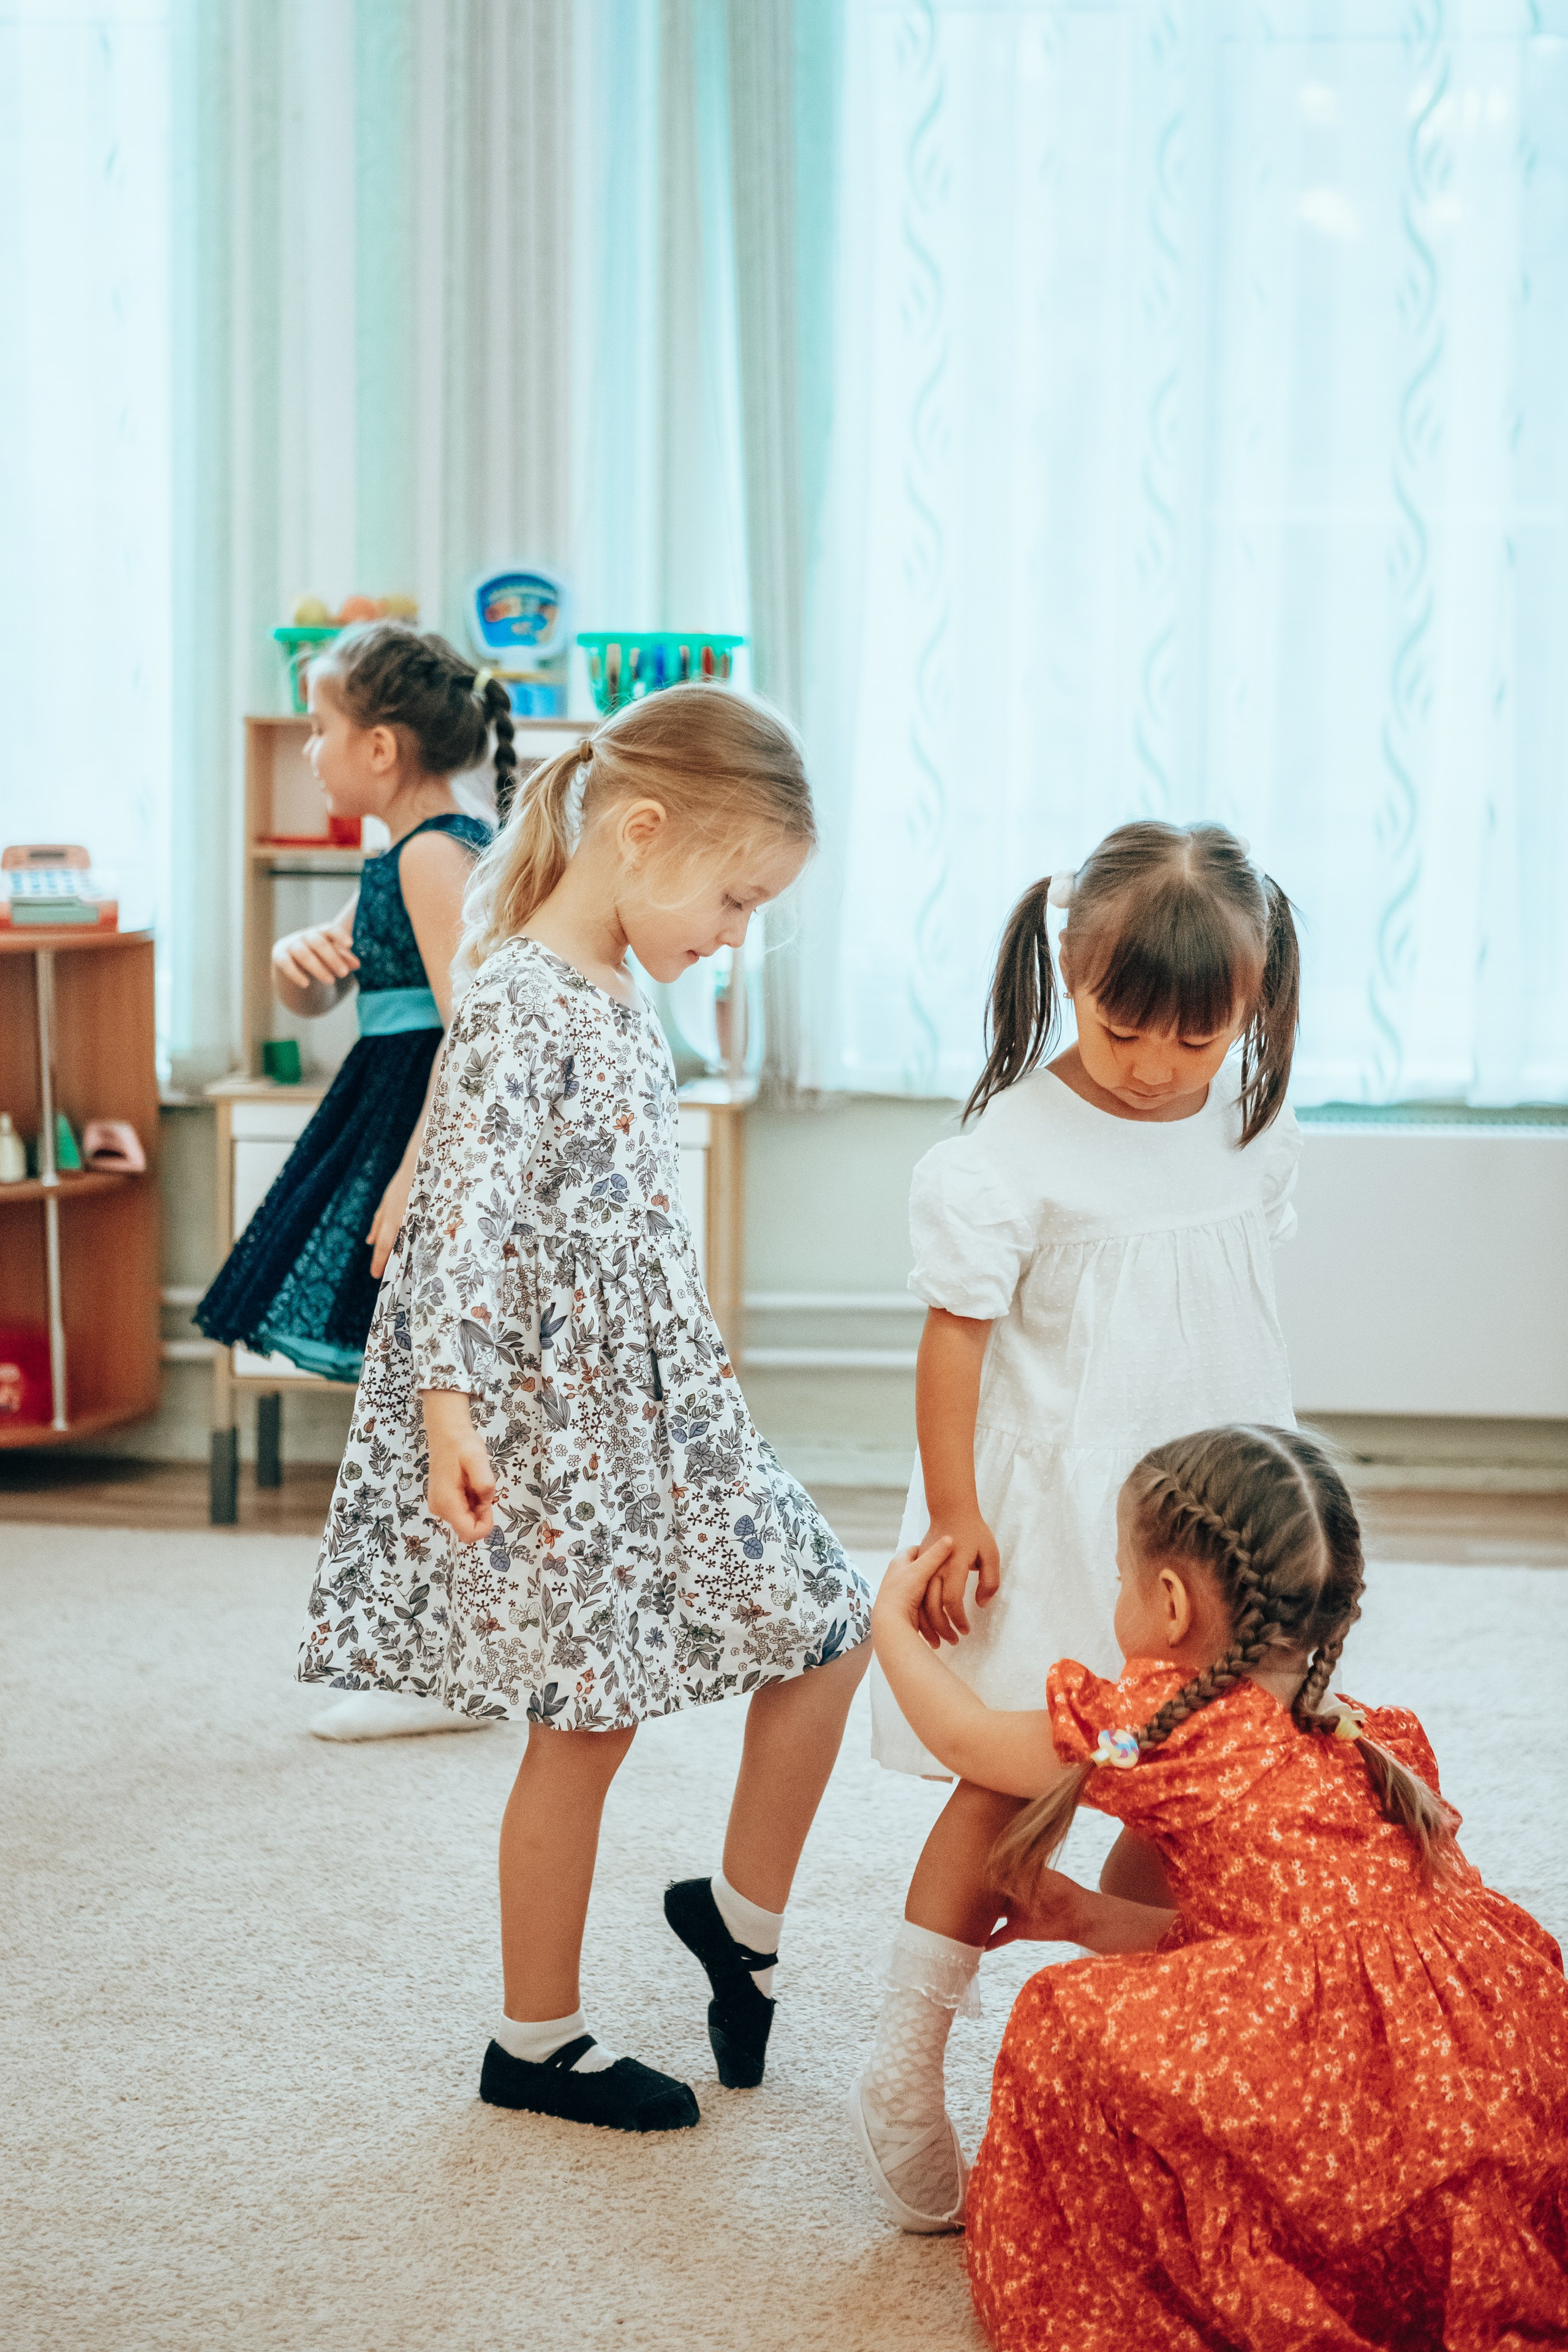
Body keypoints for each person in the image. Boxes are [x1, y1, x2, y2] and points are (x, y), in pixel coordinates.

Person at [298, 680, 872, 2130]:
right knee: (586, 1723)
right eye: (733, 899)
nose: (733, 934)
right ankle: (532, 2039)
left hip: (662, 1410)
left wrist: (689, 1341)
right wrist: (446, 1408)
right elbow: (469, 1216)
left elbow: (613, 1215)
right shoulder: (517, 996)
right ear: (641, 831)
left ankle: (736, 1919)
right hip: (557, 1432)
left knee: (826, 1620)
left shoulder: (616, 992)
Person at [870, 1423, 1568, 2345]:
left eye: (1119, 1580)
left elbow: (963, 1739)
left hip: (1336, 2105)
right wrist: (1084, 1912)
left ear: (1167, 1604)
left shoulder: (1158, 1734)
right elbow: (1273, 1964)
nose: (1115, 1597)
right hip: (1468, 2092)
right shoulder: (1370, 1737)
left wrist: (888, 1621)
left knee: (1061, 2021)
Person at [854, 822, 1304, 2230]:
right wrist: (955, 1514)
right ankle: (903, 2057)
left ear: (1250, 1005)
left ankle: (1127, 2061)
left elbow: (1233, 1318)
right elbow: (954, 1342)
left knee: (1191, 1787)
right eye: (1122, 1030)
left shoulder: (1250, 1114)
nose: (1157, 1067)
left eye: (1197, 1035)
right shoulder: (1009, 1147)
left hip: (1213, 1531)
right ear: (1069, 970)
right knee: (1014, 1778)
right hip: (1059, 1516)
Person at [197, 621, 507, 1740]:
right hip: (382, 1115)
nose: (312, 751)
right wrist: (297, 969)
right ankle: (433, 1656)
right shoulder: (406, 848)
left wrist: (416, 1182)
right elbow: (338, 992)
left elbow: (471, 1030)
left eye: (321, 730)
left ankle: (438, 1666)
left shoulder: (436, 853)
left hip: (410, 1135)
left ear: (381, 748)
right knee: (407, 1407)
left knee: (422, 1409)